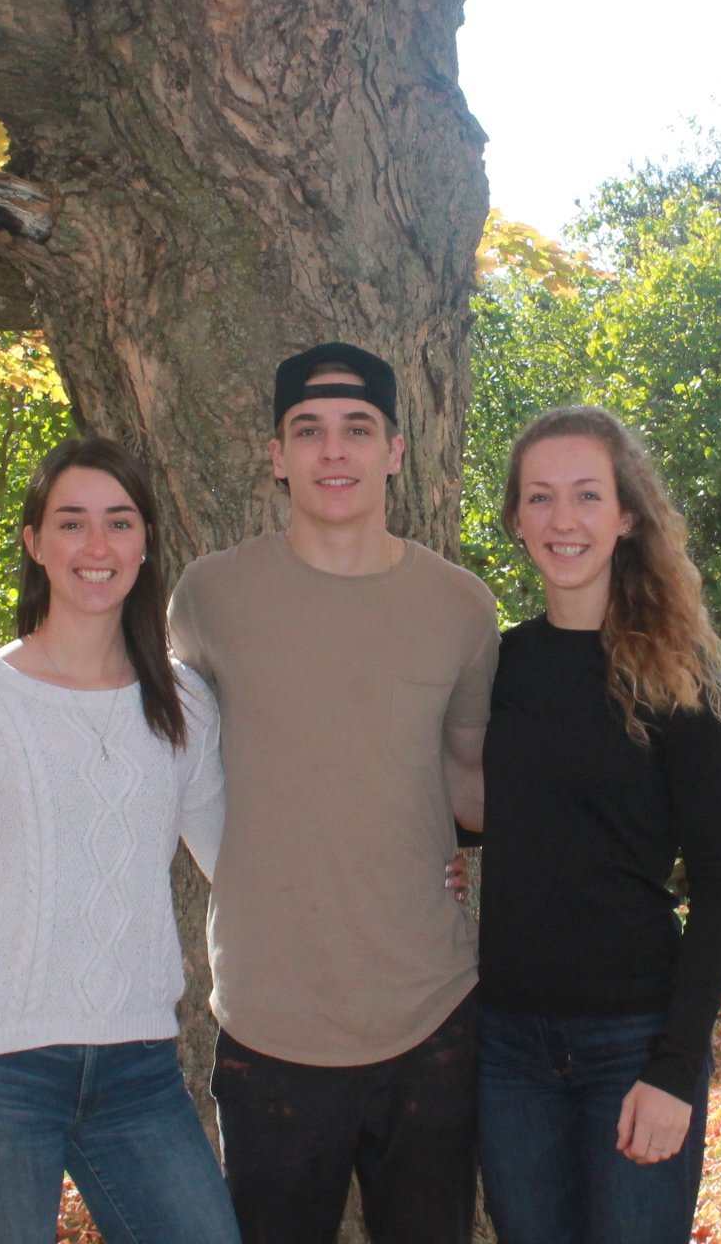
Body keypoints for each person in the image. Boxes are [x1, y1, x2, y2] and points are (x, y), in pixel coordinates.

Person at [168, 342, 501, 1244]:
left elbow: (472, 785)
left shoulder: (462, 608)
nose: (334, 451)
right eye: (308, 431)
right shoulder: (208, 600)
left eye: (358, 429)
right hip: (272, 1021)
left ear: (396, 448)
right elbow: (166, 774)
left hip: (431, 1011)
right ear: (276, 455)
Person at [0, 436, 239, 1244]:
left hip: (139, 1067)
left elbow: (241, 871)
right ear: (35, 543)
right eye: (71, 524)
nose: (96, 547)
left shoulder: (184, 704)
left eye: (118, 522)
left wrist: (402, 865)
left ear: (145, 543)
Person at [475, 404, 721, 1244]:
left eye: (588, 496)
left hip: (634, 1042)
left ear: (627, 516)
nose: (565, 520)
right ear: (517, 519)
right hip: (508, 1046)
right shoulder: (497, 668)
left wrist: (673, 1072)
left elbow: (720, 892)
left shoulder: (679, 678)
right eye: (541, 497)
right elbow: (505, 812)